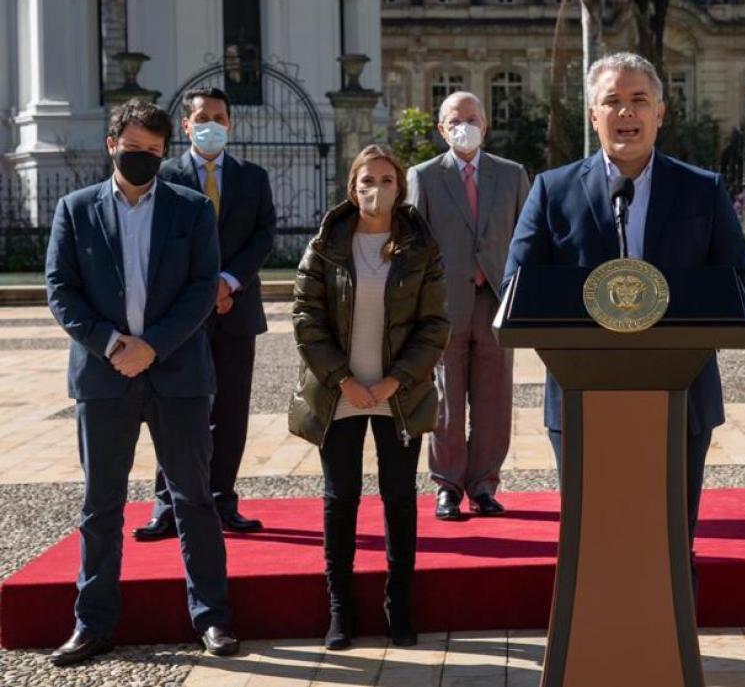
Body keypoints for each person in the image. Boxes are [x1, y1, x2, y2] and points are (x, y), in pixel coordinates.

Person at [503, 52, 745, 547]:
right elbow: (517, 287)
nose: (626, 113)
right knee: (596, 540)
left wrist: (668, 311)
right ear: (592, 114)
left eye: (639, 100)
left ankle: (674, 626)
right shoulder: (552, 191)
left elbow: (742, 285)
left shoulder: (702, 191)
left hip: (680, 397)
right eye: (613, 101)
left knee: (669, 541)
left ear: (660, 112)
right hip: (583, 396)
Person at [44, 98, 238, 665]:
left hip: (177, 374)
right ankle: (93, 623)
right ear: (111, 145)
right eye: (134, 150)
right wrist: (111, 344)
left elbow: (203, 288)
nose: (144, 160)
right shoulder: (75, 209)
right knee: (101, 507)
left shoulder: (192, 209)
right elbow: (60, 290)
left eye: (154, 152)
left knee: (194, 501)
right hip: (103, 378)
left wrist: (153, 346)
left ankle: (212, 618)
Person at [289, 145, 450, 650]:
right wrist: (344, 380)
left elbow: (434, 324)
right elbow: (305, 317)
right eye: (364, 180)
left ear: (399, 187)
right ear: (352, 187)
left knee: (399, 500)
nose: (374, 189)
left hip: (397, 393)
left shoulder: (420, 247)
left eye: (384, 179)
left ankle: (398, 607)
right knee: (342, 500)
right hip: (338, 393)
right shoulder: (327, 244)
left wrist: (394, 380)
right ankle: (341, 611)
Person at [135, 87, 277, 540]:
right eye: (202, 116)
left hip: (236, 309)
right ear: (186, 125)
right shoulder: (165, 176)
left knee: (231, 410)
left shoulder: (252, 177)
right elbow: (154, 241)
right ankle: (168, 504)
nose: (211, 123)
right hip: (178, 316)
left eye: (219, 116)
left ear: (230, 124)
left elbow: (263, 235)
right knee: (175, 408)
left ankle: (222, 499)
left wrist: (227, 281)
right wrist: (200, 290)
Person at [406, 91, 530, 521]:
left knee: (495, 400)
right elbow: (411, 247)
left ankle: (484, 484)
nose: (465, 126)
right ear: (441, 129)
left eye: (473, 118)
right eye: (456, 120)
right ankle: (447, 486)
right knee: (445, 402)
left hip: (496, 302)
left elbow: (525, 239)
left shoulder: (512, 175)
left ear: (486, 124)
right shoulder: (423, 176)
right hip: (444, 306)